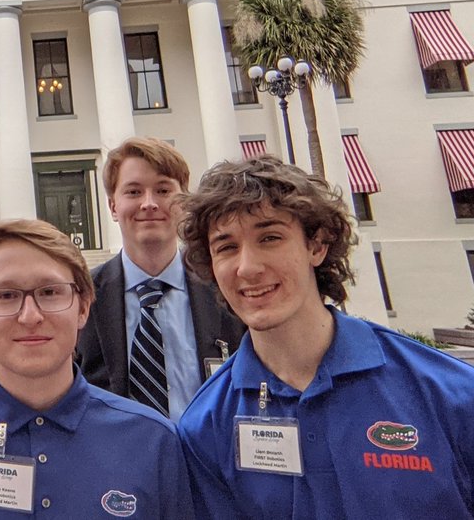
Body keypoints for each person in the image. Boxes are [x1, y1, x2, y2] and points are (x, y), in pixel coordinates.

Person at [178, 156, 474, 518]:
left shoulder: (451, 395)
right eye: (226, 247)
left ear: (316, 246)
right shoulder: (205, 426)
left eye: (270, 237)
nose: (248, 267)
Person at [0, 219, 191, 518]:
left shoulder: (152, 441)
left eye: (50, 292)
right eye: (6, 295)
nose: (30, 316)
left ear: (83, 307)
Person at [78, 137, 245, 421]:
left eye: (163, 189)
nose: (149, 203)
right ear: (113, 206)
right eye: (133, 192)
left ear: (183, 201)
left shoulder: (227, 288)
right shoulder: (82, 297)